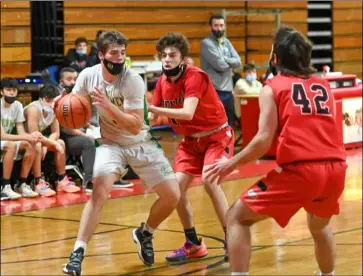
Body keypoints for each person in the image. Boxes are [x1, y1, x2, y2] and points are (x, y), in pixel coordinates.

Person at [205, 25, 347, 275]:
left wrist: (231, 163)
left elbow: (262, 140)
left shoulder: (273, 86)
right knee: (319, 226)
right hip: (336, 169)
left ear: (276, 57)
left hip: (302, 170)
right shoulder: (323, 85)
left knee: (236, 217)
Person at [61, 30, 180, 275]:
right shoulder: (87, 75)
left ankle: (145, 233)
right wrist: (62, 107)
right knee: (99, 190)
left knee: (172, 195)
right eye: (113, 53)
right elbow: (73, 107)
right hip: (110, 143)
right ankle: (77, 253)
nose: (119, 58)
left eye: (123, 53)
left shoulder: (132, 80)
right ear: (101, 55)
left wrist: (106, 105)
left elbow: (134, 124)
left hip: (140, 141)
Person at [148, 32, 234, 262]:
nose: (166, 59)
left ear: (183, 58)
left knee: (209, 180)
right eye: (163, 55)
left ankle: (232, 238)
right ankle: (193, 243)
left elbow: (187, 112)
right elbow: (153, 117)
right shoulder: (162, 82)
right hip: (190, 142)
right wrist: (129, 119)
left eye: (172, 55)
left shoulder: (196, 76)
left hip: (216, 136)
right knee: (176, 190)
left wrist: (156, 111)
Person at [59, 67, 134, 190]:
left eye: (75, 79)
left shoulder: (79, 94)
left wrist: (91, 127)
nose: (73, 82)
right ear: (61, 82)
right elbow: (65, 129)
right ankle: (89, 181)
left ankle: (112, 177)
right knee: (89, 142)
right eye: (69, 79)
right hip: (67, 138)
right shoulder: (60, 99)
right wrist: (86, 134)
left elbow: (84, 119)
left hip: (81, 131)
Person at [24, 84, 80, 196]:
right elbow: (35, 135)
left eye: (53, 101)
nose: (50, 104)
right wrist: (50, 143)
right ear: (40, 99)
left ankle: (61, 180)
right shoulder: (33, 109)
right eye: (47, 100)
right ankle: (38, 182)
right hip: (25, 139)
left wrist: (47, 144)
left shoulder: (54, 109)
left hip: (38, 139)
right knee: (38, 145)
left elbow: (56, 132)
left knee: (60, 143)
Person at [0, 78, 40, 200]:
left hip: (4, 140)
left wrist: (30, 138)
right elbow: (2, 135)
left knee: (30, 144)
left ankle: (21, 184)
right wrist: (26, 136)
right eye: (8, 90)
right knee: (10, 145)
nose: (12, 93)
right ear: (1, 92)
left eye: (14, 90)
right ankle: (5, 187)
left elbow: (20, 130)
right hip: (2, 138)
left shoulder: (17, 106)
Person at [200, 15, 242, 127]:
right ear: (211, 27)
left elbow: (238, 62)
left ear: (225, 26)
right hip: (214, 90)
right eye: (216, 25)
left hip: (228, 90)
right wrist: (229, 63)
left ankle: (229, 145)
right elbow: (220, 65)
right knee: (217, 125)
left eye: (221, 25)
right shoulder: (206, 43)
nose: (219, 28)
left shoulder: (227, 42)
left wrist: (224, 58)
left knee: (230, 125)